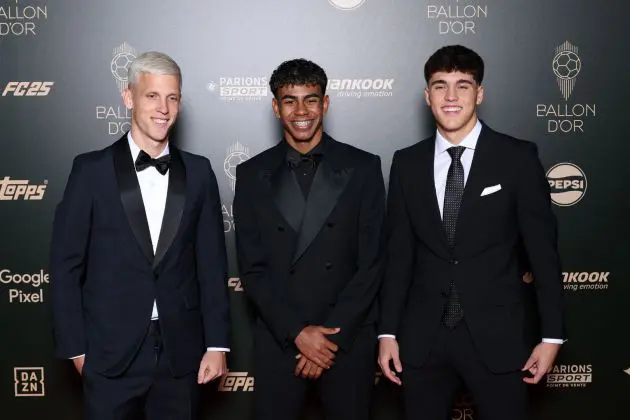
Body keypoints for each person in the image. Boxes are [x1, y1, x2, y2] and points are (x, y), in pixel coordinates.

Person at [378, 45, 565, 420]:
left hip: (498, 336)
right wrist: (387, 334)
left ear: (479, 93)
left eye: (462, 86)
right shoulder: (406, 162)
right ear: (426, 95)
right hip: (421, 340)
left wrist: (551, 337)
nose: (450, 97)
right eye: (440, 85)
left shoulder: (517, 158)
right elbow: (398, 256)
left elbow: (543, 255)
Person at [51, 51, 230, 420]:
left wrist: (217, 344)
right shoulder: (91, 170)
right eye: (152, 95)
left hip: (181, 356)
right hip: (108, 354)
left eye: (173, 97)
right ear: (129, 97)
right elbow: (66, 265)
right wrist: (77, 350)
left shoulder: (199, 172)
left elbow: (211, 266)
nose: (163, 108)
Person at [233, 58, 385, 420]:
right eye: (289, 100)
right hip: (280, 338)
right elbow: (252, 269)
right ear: (276, 107)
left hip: (345, 340)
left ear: (326, 103)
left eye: (311, 99)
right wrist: (298, 333)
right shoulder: (252, 174)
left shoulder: (364, 167)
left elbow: (373, 262)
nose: (301, 111)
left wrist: (329, 339)